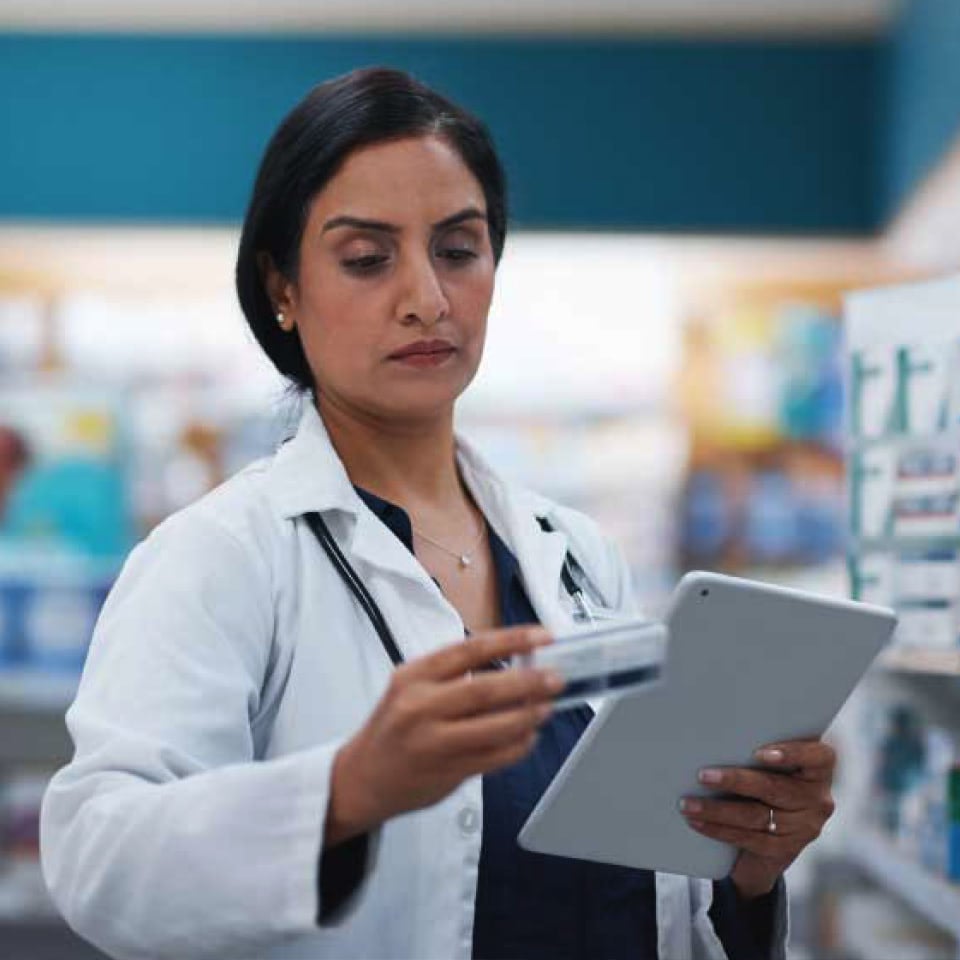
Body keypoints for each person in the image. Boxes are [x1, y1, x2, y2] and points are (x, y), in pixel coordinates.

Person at [40, 67, 836, 960]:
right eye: (366, 258)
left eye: (458, 249)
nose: (426, 296)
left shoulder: (574, 554)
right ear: (283, 289)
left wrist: (747, 866)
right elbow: (98, 858)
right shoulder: (221, 557)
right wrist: (344, 793)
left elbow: (647, 897)